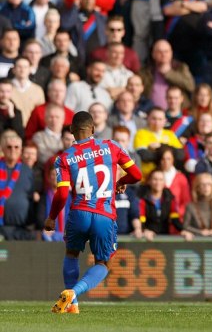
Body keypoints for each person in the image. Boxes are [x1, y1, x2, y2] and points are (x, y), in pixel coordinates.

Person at [45, 111, 142, 314]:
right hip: (104, 215)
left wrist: (52, 217)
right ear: (94, 129)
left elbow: (62, 194)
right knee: (103, 263)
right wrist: (120, 181)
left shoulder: (64, 158)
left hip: (79, 212)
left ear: (71, 131)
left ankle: (73, 305)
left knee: (71, 254)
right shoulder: (111, 146)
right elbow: (136, 174)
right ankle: (74, 293)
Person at [0, 129, 34, 241]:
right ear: (3, 149)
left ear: (21, 150)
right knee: (3, 258)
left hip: (21, 231)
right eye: (9, 147)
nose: (13, 150)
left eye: (16, 147)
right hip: (1, 229)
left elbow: (31, 198)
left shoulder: (28, 171)